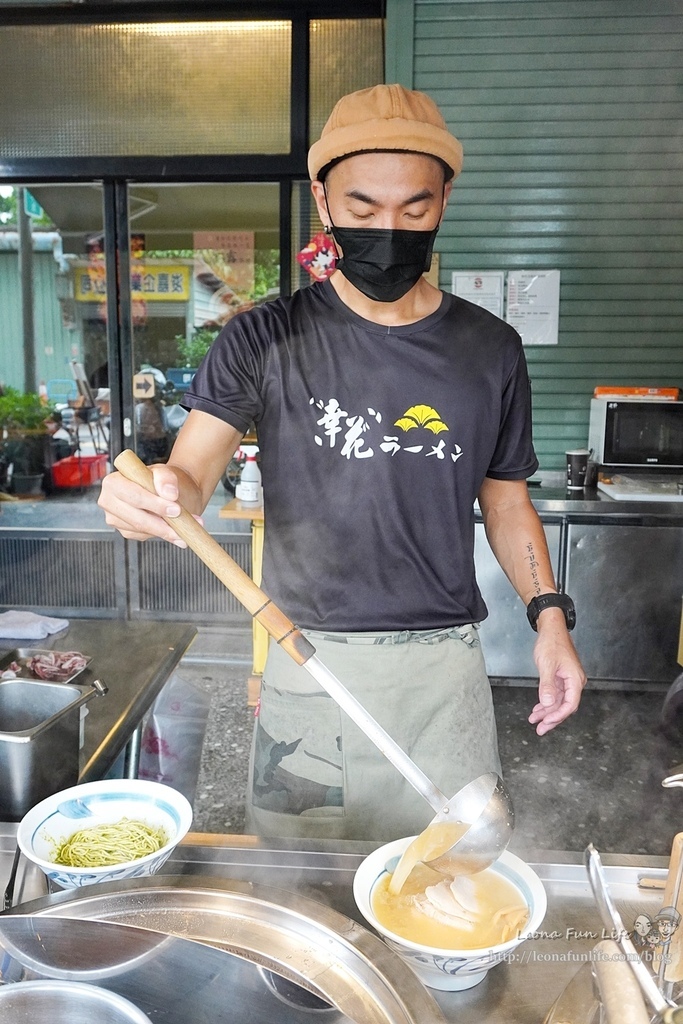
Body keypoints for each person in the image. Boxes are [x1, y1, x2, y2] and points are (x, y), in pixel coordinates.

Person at [99, 84, 587, 842]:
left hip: (442, 667)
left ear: (444, 201)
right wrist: (161, 493)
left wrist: (548, 618)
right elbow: (188, 476)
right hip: (309, 657)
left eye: (413, 210)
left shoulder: (489, 350)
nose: (387, 230)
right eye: (362, 210)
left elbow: (505, 500)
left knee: (451, 884)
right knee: (302, 894)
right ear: (323, 200)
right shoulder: (264, 337)